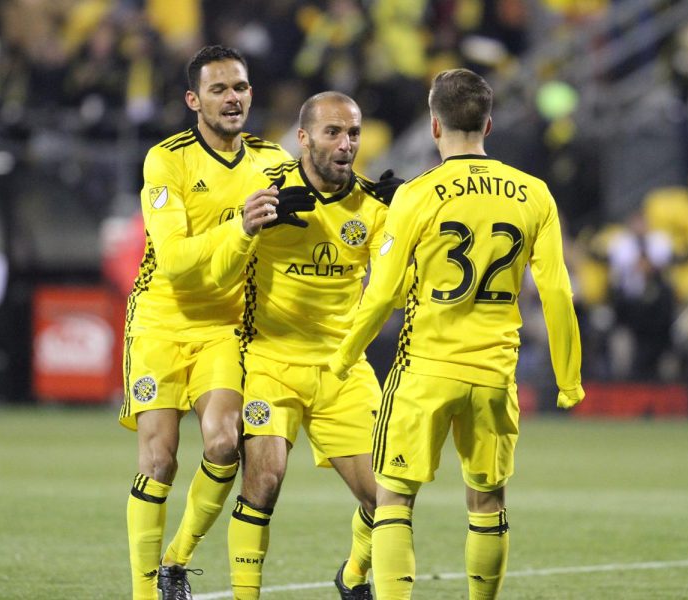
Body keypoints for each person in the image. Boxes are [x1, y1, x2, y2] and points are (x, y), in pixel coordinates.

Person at [328, 68, 585, 599]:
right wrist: (568, 379)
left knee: (394, 498)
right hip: (494, 373)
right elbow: (557, 294)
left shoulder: (418, 194)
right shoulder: (534, 194)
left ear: (434, 126)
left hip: (424, 370)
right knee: (487, 503)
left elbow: (381, 294)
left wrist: (343, 356)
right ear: (488, 125)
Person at [210, 91, 404, 600]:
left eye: (354, 133)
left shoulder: (372, 205)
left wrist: (410, 221)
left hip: (341, 366)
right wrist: (248, 227)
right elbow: (216, 274)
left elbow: (394, 290)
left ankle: (353, 576)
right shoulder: (263, 193)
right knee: (265, 480)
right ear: (303, 138)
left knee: (384, 498)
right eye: (333, 132)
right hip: (269, 359)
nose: (346, 144)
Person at [119, 45, 291, 600]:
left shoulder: (273, 162)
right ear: (194, 100)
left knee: (223, 442)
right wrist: (239, 229)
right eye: (219, 89)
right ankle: (146, 593)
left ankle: (175, 562)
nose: (233, 98)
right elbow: (172, 259)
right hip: (160, 322)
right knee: (161, 459)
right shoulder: (166, 160)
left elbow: (321, 206)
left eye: (239, 87)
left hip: (224, 326)